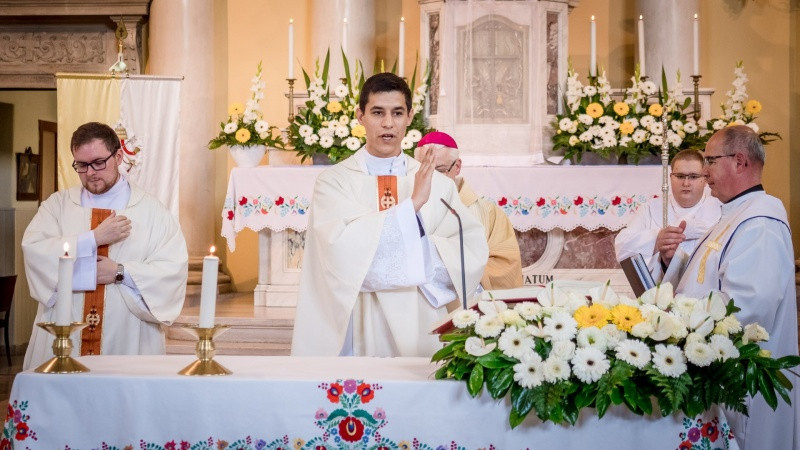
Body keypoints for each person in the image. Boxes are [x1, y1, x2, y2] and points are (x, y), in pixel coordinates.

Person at [291, 73, 488, 357]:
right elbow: (338, 255)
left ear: (409, 117)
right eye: (377, 113)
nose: (388, 123)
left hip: (421, 322)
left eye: (397, 113)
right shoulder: (334, 183)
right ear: (360, 116)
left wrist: (412, 248)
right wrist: (412, 208)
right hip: (356, 325)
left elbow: (467, 251)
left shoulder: (440, 185)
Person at [662, 126, 798, 450]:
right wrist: (670, 264)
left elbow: (749, 307)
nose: (705, 171)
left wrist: (682, 322)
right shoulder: (736, 214)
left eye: (710, 160)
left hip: (742, 381)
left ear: (739, 162)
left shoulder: (761, 222)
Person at [22, 122, 188, 370]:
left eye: (99, 162)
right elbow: (35, 252)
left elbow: (172, 270)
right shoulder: (57, 206)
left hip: (127, 337)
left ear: (118, 156)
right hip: (64, 335)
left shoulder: (152, 212)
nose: (90, 172)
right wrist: (93, 239)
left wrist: (120, 272)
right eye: (81, 165)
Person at [415, 131, 523, 290]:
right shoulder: (408, 208)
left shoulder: (490, 213)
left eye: (440, 170)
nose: (431, 177)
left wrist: (455, 272)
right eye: (424, 169)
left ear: (457, 166)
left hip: (468, 300)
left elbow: (505, 265)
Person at [614, 149, 721, 276]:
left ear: (705, 179)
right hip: (658, 286)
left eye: (693, 177)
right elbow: (621, 247)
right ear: (670, 178)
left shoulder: (718, 209)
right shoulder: (651, 208)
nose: (686, 183)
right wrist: (657, 239)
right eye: (680, 176)